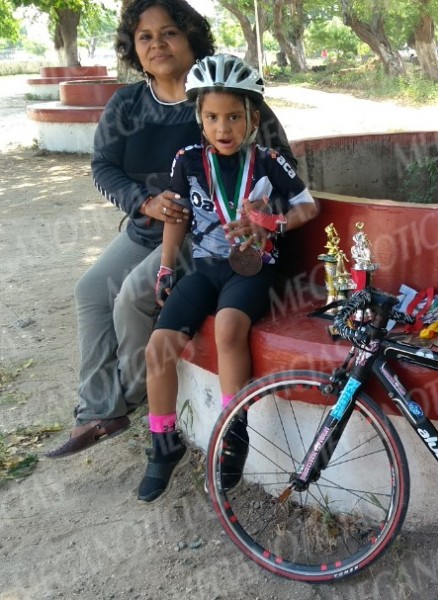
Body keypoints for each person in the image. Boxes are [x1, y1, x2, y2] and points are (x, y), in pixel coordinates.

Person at [46, 0, 295, 459]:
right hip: (147, 227)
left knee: (133, 298)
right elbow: (102, 167)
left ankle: (139, 398)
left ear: (191, 37)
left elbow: (283, 167)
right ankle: (101, 410)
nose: (158, 44)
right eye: (145, 37)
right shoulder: (126, 104)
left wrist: (260, 214)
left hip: (203, 238)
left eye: (170, 33)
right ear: (133, 48)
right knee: (89, 291)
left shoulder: (223, 95)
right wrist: (142, 201)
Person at [136, 54, 318, 502]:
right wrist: (165, 267)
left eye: (234, 117)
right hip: (204, 269)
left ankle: (233, 435)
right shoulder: (189, 161)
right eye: (213, 117)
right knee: (159, 347)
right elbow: (176, 217)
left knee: (228, 326)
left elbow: (308, 208)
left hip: (253, 267)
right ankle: (163, 445)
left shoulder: (271, 161)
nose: (224, 128)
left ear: (252, 118)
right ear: (200, 118)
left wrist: (269, 225)